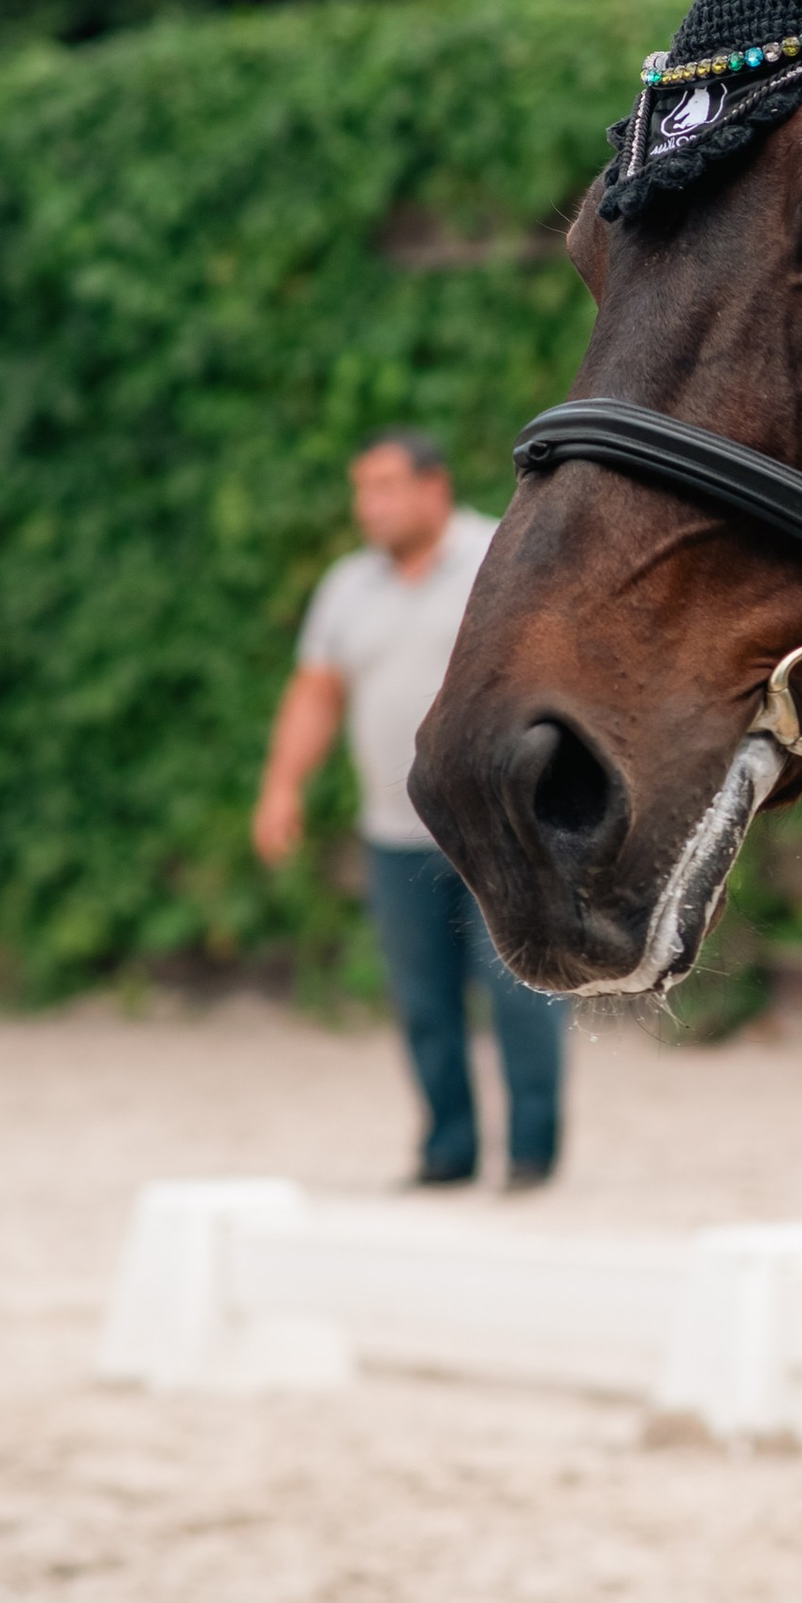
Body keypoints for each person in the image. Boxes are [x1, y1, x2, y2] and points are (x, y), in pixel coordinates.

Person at [253, 429, 566, 1189]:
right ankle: (448, 1150)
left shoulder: (498, 557)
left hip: (498, 833)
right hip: (394, 834)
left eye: (386, 487)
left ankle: (531, 1151)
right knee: (422, 1001)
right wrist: (283, 784)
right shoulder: (346, 587)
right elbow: (318, 690)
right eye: (363, 490)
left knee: (519, 996)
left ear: (435, 487)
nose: (371, 506)